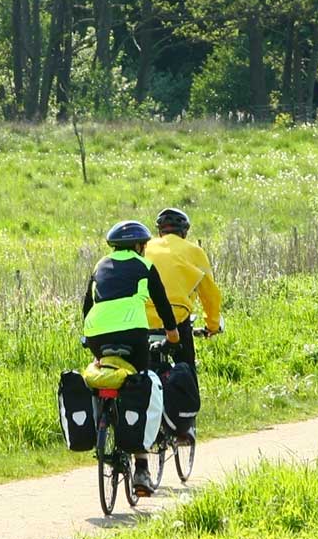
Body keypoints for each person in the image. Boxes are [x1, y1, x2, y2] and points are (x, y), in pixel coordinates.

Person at [82, 220, 182, 495]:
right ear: (139, 246)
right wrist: (173, 335)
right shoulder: (145, 266)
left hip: (96, 334)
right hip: (133, 335)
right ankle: (141, 467)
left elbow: (87, 305)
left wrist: (89, 337)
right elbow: (162, 304)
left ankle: (101, 420)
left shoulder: (99, 265)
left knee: (103, 372)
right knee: (139, 383)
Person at [144, 208, 225, 367]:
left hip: (142, 316)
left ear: (159, 231)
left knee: (140, 369)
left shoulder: (145, 247)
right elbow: (209, 294)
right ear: (184, 232)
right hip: (176, 316)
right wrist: (212, 326)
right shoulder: (194, 251)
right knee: (186, 367)